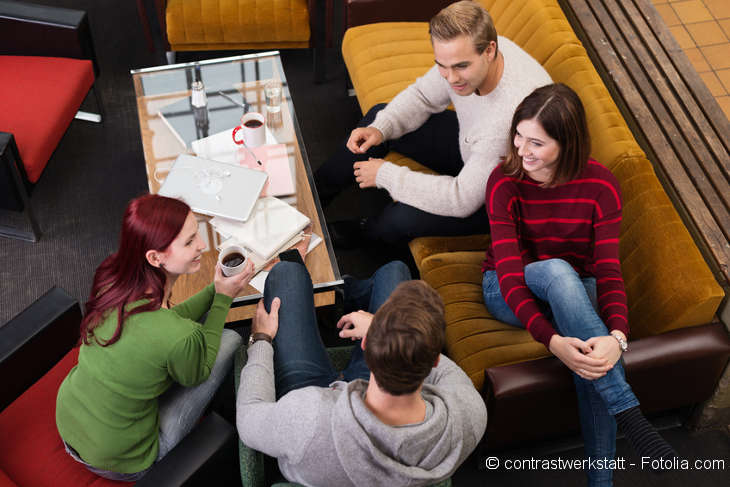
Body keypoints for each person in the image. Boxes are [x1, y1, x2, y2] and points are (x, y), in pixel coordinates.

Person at [481, 83, 676, 486]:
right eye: (519, 135)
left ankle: (600, 481)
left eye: (537, 142)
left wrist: (616, 337)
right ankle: (630, 414)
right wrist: (553, 343)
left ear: (567, 144)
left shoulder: (601, 187)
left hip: (575, 291)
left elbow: (607, 272)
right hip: (506, 286)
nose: (522, 149)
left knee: (593, 350)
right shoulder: (503, 181)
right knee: (556, 272)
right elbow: (512, 274)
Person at [315, 0, 551, 247]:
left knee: (402, 217)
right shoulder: (471, 60)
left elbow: (460, 199)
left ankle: (365, 232)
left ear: (490, 50)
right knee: (381, 118)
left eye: (461, 66)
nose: (451, 78)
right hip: (474, 149)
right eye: (442, 66)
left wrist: (386, 175)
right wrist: (380, 128)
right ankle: (312, 196)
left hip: (502, 198)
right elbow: (423, 96)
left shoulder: (506, 120)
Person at [56, 194, 255, 481]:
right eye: (189, 242)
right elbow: (197, 371)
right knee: (231, 340)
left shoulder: (114, 281)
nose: (201, 245)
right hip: (123, 458)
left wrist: (216, 289)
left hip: (69, 418)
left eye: (195, 234)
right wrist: (223, 300)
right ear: (155, 257)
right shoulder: (177, 337)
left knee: (183, 342)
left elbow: (168, 323)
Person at [236, 260, 487, 486]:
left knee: (287, 272)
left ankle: (336, 295)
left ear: (365, 344)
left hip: (317, 410)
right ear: (434, 361)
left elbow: (248, 418)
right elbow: (445, 369)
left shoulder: (305, 418)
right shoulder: (468, 417)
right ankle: (342, 293)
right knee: (395, 269)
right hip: (365, 397)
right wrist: (400, 338)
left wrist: (261, 339)